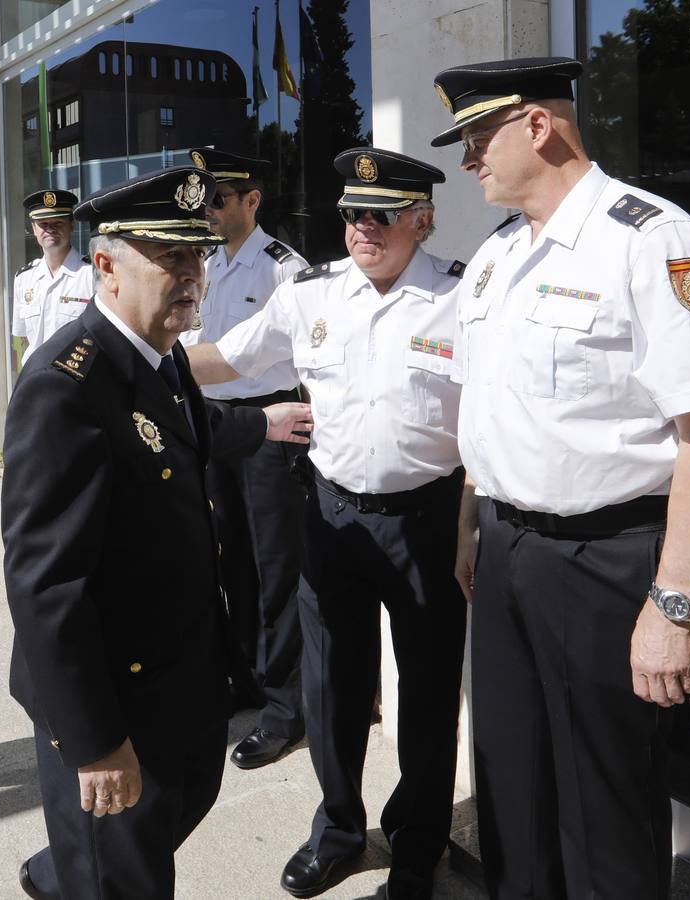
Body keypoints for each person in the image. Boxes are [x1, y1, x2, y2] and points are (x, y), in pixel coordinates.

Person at [429, 58, 690, 899]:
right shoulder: (497, 257)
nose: (468, 161)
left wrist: (674, 604)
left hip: (605, 561)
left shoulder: (651, 239)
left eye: (474, 138)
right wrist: (471, 525)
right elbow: (490, 408)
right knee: (509, 780)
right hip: (505, 549)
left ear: (536, 125)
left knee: (603, 801)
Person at [2, 166, 314, 900]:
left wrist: (263, 423)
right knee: (124, 872)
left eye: (197, 255)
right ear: (105, 265)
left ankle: (67, 867)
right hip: (117, 696)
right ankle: (78, 866)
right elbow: (45, 586)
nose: (193, 275)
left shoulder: (158, 353)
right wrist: (96, 742)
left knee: (160, 821)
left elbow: (185, 428)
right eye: (170, 257)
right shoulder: (66, 385)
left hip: (179, 679)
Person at [186, 148, 467, 900]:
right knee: (330, 686)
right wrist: (132, 357)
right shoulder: (311, 294)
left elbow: (489, 423)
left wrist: (473, 527)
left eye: (381, 215)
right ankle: (339, 827)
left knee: (430, 693)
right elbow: (228, 358)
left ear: (423, 219)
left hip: (428, 521)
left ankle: (417, 840)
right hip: (334, 518)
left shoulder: (461, 297)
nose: (362, 230)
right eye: (350, 214)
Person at [181, 146, 310, 769]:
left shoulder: (284, 268)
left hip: (270, 426)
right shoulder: (204, 264)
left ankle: (286, 708)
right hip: (215, 426)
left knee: (275, 567)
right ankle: (249, 679)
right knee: (229, 558)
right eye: (204, 198)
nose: (207, 208)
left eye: (218, 198)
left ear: (251, 202)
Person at [10, 188, 95, 365]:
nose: (50, 230)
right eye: (43, 224)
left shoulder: (91, 274)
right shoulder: (24, 278)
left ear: (72, 224)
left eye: (57, 223)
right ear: (33, 228)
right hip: (34, 376)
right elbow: (24, 337)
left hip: (76, 378)